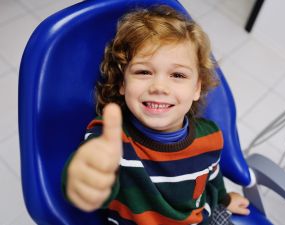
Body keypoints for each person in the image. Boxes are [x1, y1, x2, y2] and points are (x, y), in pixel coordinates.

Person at [62, 5, 250, 225]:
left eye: (177, 75)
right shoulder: (110, 138)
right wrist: (86, 179)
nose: (159, 87)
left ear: (197, 88)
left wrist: (224, 199)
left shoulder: (210, 136)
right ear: (123, 83)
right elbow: (95, 176)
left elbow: (212, 177)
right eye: (144, 72)